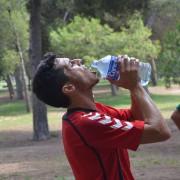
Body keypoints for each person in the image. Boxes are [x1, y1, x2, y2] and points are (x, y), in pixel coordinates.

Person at [32, 53, 171, 180]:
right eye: (71, 64)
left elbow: (136, 118)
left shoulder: (95, 112)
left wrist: (133, 84)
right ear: (69, 88)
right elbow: (160, 132)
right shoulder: (86, 123)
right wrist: (135, 87)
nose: (78, 60)